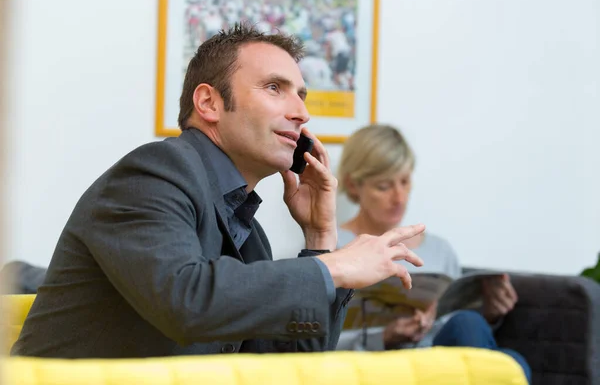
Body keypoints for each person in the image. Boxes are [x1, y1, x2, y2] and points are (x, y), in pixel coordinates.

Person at [11, 23, 425, 358]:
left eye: (301, 95)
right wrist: (336, 266)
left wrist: (320, 237)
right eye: (274, 88)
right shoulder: (153, 172)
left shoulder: (247, 229)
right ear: (209, 103)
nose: (302, 112)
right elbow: (186, 300)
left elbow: (291, 363)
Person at [334, 124, 531, 383]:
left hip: (440, 361)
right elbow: (315, 341)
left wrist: (491, 313)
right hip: (380, 365)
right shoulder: (335, 248)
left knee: (479, 332)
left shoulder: (440, 249)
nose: (399, 197)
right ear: (353, 185)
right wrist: (383, 337)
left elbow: (457, 332)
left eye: (405, 182)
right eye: (384, 186)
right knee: (507, 362)